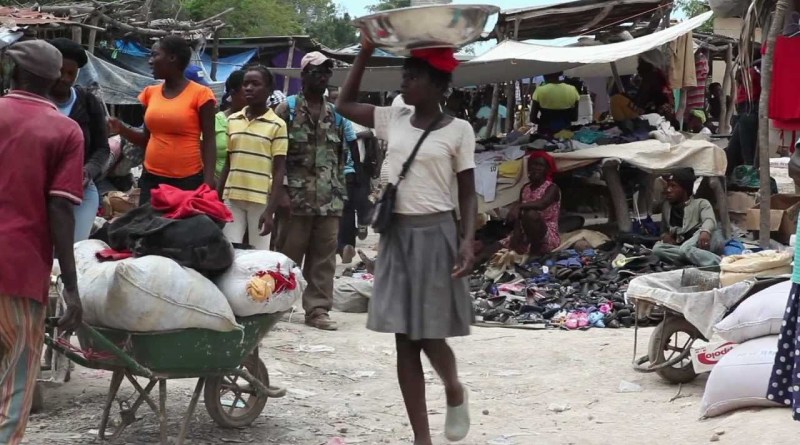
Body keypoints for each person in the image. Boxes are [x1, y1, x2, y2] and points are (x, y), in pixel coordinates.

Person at [337, 37, 477, 445]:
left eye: (413, 77)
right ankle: (422, 438)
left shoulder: (460, 130)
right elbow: (344, 106)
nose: (404, 83)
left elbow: (467, 192)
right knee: (404, 338)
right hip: (396, 235)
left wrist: (468, 240)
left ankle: (452, 387)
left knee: (430, 333)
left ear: (437, 85)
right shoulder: (395, 115)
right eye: (404, 75)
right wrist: (363, 52)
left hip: (436, 234)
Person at [0, 40, 83, 444]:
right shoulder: (65, 130)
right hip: (20, 267)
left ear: (13, 72)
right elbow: (61, 210)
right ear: (55, 81)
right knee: (16, 379)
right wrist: (70, 283)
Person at [273, 52, 352, 331]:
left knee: (324, 258)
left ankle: (317, 310)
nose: (322, 76)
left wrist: (343, 191)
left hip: (329, 198)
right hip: (295, 197)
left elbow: (341, 156)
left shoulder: (337, 114)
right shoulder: (288, 109)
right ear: (303, 75)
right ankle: (275, 306)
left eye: (326, 72)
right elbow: (275, 154)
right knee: (287, 254)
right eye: (316, 71)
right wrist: (278, 193)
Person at [108, 36, 217, 204]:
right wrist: (122, 129)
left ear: (172, 58)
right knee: (150, 229)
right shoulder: (149, 94)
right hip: (151, 179)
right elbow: (147, 140)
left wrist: (208, 182)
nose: (150, 61)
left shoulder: (201, 94)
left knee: (179, 228)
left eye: (154, 55)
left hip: (187, 181)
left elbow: (209, 140)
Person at [218, 66, 287, 250]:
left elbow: (279, 169)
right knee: (231, 252)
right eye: (246, 84)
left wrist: (271, 211)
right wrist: (216, 200)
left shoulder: (277, 125)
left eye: (255, 84)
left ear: (268, 90)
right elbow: (228, 163)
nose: (248, 88)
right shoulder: (233, 121)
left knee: (259, 255)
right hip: (232, 199)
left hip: (261, 201)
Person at [48, 38, 110, 241]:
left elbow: (102, 148)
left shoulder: (88, 102)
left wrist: (88, 170)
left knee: (73, 251)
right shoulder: (34, 101)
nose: (65, 78)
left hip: (80, 193)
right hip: (38, 193)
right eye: (60, 71)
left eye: (71, 73)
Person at [328, 87, 374, 263]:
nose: (335, 102)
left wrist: (356, 171)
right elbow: (353, 144)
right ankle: (345, 245)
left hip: (339, 172)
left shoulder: (338, 118)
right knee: (344, 210)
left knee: (343, 210)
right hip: (342, 171)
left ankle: (344, 245)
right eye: (333, 98)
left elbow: (354, 145)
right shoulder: (342, 119)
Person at [652, 169, 724, 267]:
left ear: (684, 189)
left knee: (686, 249)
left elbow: (709, 220)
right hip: (686, 246)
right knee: (657, 249)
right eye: (668, 186)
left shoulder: (701, 203)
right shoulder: (666, 207)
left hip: (704, 240)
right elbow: (664, 230)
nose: (668, 190)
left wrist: (705, 231)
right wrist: (665, 236)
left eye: (673, 186)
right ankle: (696, 260)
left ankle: (721, 263)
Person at [504, 152, 561, 255]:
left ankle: (536, 250)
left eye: (540, 165)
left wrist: (518, 206)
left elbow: (541, 204)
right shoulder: (525, 188)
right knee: (494, 248)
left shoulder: (552, 188)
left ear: (547, 169)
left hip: (545, 235)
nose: (536, 168)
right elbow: (519, 216)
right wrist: (516, 235)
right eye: (533, 164)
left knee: (531, 214)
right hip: (524, 233)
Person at [726, 64, 761, 176]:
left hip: (749, 110)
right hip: (746, 111)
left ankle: (749, 174)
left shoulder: (751, 73)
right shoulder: (750, 72)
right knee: (735, 148)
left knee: (747, 150)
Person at [215, 70, 247, 179]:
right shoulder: (216, 121)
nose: (251, 90)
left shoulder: (263, 121)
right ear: (233, 92)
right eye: (246, 86)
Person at [634, 57, 677, 128]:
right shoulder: (660, 74)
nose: (638, 68)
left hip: (657, 116)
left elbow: (641, 98)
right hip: (666, 114)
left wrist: (637, 106)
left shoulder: (650, 77)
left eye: (640, 63)